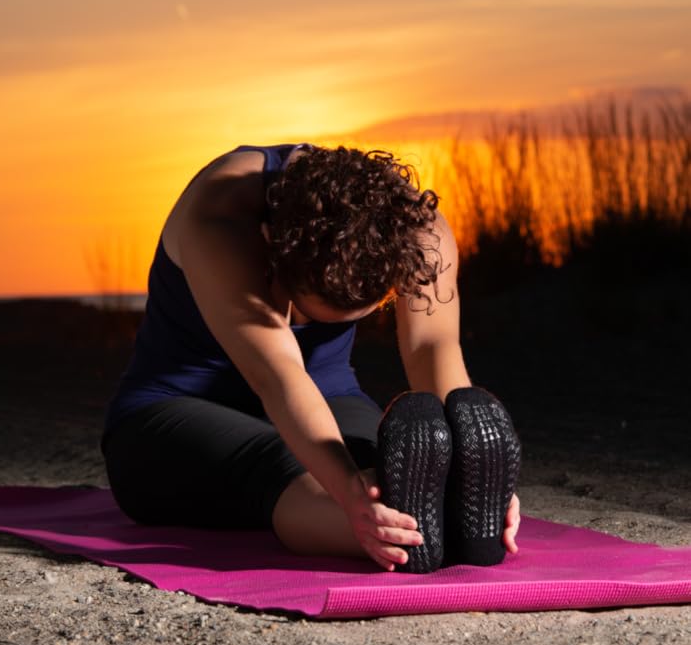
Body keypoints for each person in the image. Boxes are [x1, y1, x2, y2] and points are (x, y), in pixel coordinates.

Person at [102, 143, 521, 573]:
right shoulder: (220, 216)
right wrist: (348, 494)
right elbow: (277, 374)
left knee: (390, 469)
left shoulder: (415, 228)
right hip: (170, 416)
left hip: (326, 397)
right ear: (271, 245)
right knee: (290, 468)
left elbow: (430, 345)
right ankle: (404, 539)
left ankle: (446, 525)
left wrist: (468, 461)